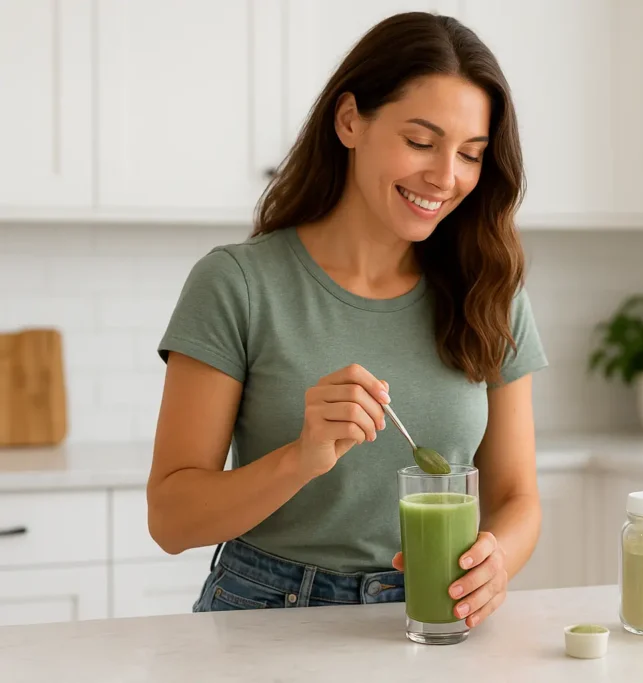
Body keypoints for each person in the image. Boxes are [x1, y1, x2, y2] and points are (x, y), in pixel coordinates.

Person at [146, 11, 547, 630]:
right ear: (350, 120)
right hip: (267, 612)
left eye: (470, 154)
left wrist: (496, 563)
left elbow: (517, 497)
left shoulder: (489, 287)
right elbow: (170, 520)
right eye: (420, 141)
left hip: (434, 614)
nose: (445, 177)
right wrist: (301, 457)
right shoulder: (238, 283)